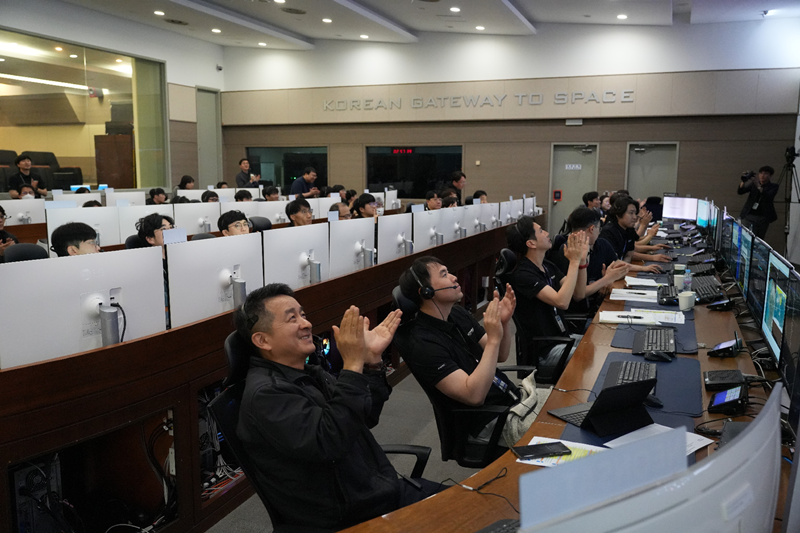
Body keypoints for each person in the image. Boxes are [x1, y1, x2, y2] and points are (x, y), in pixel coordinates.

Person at [235, 284, 439, 530]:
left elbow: (362, 417)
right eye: (292, 318)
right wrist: (353, 364)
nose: (306, 324)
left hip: (376, 492)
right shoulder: (266, 395)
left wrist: (371, 362)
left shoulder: (307, 373)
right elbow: (330, 442)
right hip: (352, 517)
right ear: (262, 340)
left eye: (303, 314)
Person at [398, 257, 519, 437]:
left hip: (509, 399)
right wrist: (494, 339)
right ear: (426, 291)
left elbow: (500, 355)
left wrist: (503, 322)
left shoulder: (458, 313)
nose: (454, 278)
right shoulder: (421, 343)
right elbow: (474, 396)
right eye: (445, 275)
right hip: (487, 422)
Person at [506, 216, 590, 367]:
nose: (546, 233)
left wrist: (582, 262)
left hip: (562, 338)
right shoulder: (523, 275)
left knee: (596, 343)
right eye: (541, 231)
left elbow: (579, 294)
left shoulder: (547, 266)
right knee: (589, 356)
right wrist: (574, 262)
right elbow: (562, 302)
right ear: (531, 243)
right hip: (544, 351)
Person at [549, 207, 629, 313]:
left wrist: (610, 279)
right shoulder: (569, 251)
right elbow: (578, 294)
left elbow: (621, 268)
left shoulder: (601, 244)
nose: (599, 232)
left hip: (599, 304)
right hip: (581, 313)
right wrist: (606, 279)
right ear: (591, 229)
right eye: (599, 229)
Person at [597, 196, 665, 273]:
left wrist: (626, 266)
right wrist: (642, 268)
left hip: (621, 270)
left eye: (635, 213)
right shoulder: (608, 232)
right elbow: (614, 263)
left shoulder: (628, 229)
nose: (635, 217)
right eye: (631, 213)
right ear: (618, 214)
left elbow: (629, 254)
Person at [136, 213, 174, 328]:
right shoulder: (147, 268)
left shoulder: (180, 258)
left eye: (171, 228)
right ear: (150, 239)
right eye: (164, 229)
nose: (170, 232)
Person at [738, 165, 778, 239]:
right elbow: (740, 191)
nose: (762, 175)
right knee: (746, 236)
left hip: (763, 217)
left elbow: (767, 196)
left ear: (770, 175)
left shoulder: (773, 186)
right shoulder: (753, 184)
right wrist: (743, 181)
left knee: (759, 239)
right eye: (761, 173)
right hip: (749, 215)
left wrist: (758, 185)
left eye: (765, 173)